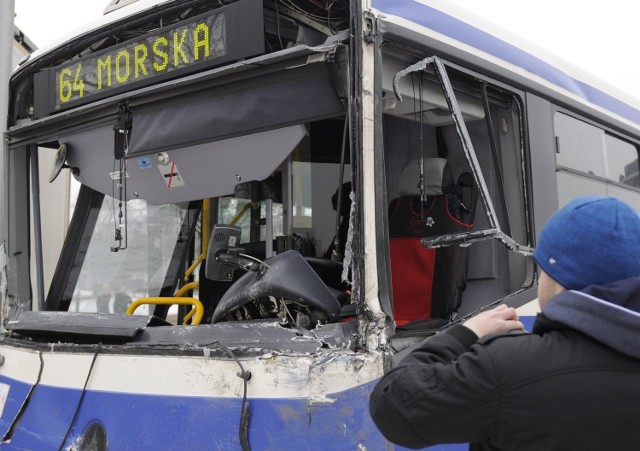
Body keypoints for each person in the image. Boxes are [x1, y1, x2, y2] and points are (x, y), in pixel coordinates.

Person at [369, 196, 640, 450]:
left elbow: (394, 405)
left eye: (541, 268)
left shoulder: (510, 368)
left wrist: (464, 333)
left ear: (559, 277)